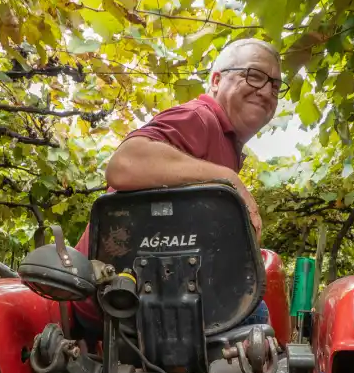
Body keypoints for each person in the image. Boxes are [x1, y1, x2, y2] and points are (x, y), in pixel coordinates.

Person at [74, 38, 282, 333]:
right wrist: (229, 178)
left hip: (148, 304)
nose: (266, 92)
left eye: (275, 85)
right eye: (255, 76)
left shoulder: (226, 145)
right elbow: (124, 165)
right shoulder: (200, 117)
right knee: (256, 319)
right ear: (216, 80)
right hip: (116, 301)